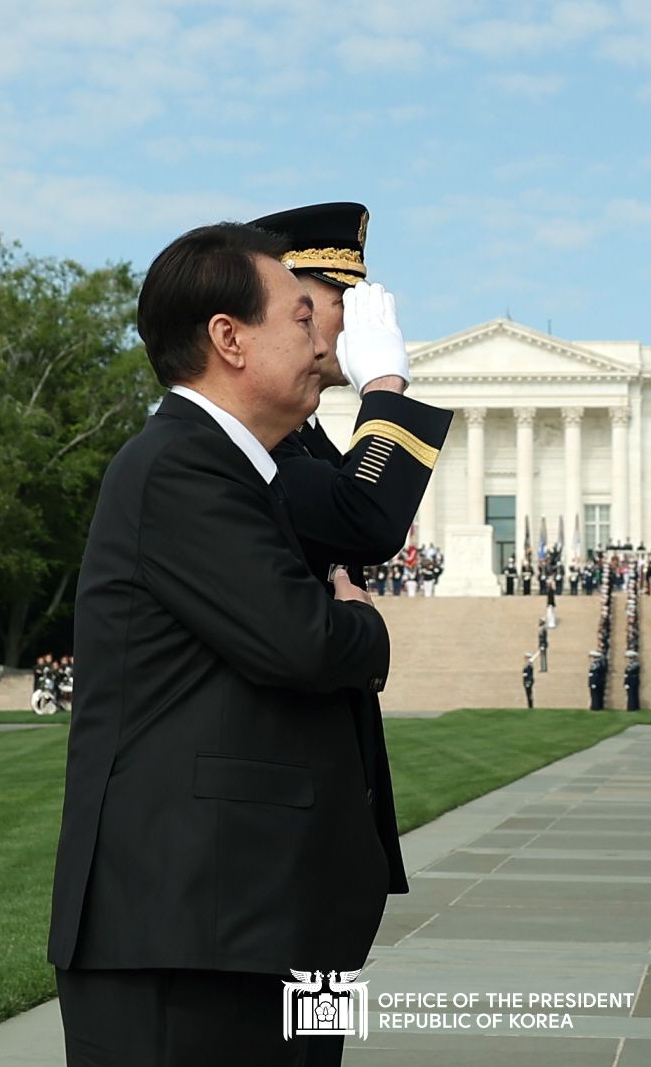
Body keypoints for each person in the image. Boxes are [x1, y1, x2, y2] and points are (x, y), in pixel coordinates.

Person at [48, 223, 392, 1066]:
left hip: (268, 918)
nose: (323, 342)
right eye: (300, 318)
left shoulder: (248, 471)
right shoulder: (180, 466)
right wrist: (364, 622)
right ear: (228, 339)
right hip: (196, 929)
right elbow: (304, 642)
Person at [253, 202, 454, 942]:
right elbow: (366, 519)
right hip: (280, 861)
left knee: (317, 1041)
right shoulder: (254, 448)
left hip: (328, 849)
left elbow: (361, 515)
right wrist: (386, 387)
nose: (352, 325)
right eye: (343, 304)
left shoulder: (300, 437)